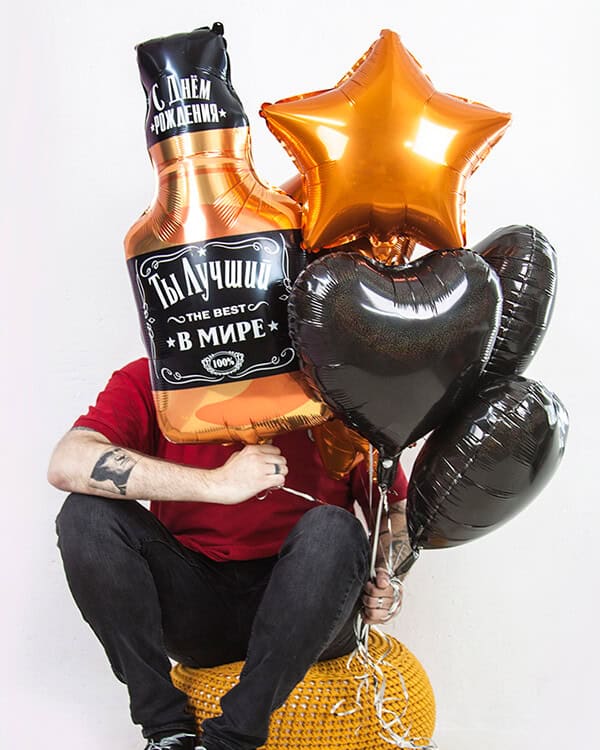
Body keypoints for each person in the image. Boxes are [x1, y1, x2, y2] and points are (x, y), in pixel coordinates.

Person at [48, 358, 414, 750]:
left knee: (333, 527)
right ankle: (166, 730)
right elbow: (67, 462)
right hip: (198, 604)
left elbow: (397, 511)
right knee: (87, 514)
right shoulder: (156, 378)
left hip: (310, 604)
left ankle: (233, 738)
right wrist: (217, 484)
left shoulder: (334, 382)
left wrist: (388, 574)